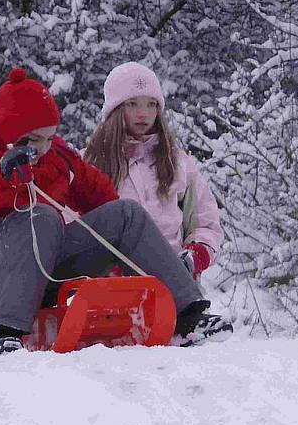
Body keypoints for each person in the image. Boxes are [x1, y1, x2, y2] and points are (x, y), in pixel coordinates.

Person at [0, 67, 232, 356]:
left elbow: (104, 200)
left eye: (50, 137)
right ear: (12, 134)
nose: (43, 147)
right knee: (40, 216)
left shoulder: (55, 157)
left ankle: (188, 315)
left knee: (126, 214)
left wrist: (122, 249)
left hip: (45, 270)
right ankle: (5, 334)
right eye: (34, 139)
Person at [84, 62, 223, 282]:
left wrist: (195, 256)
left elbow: (204, 221)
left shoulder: (177, 162)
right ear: (115, 109)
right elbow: (77, 228)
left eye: (151, 105)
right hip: (111, 288)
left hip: (174, 281)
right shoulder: (91, 164)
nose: (143, 113)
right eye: (132, 104)